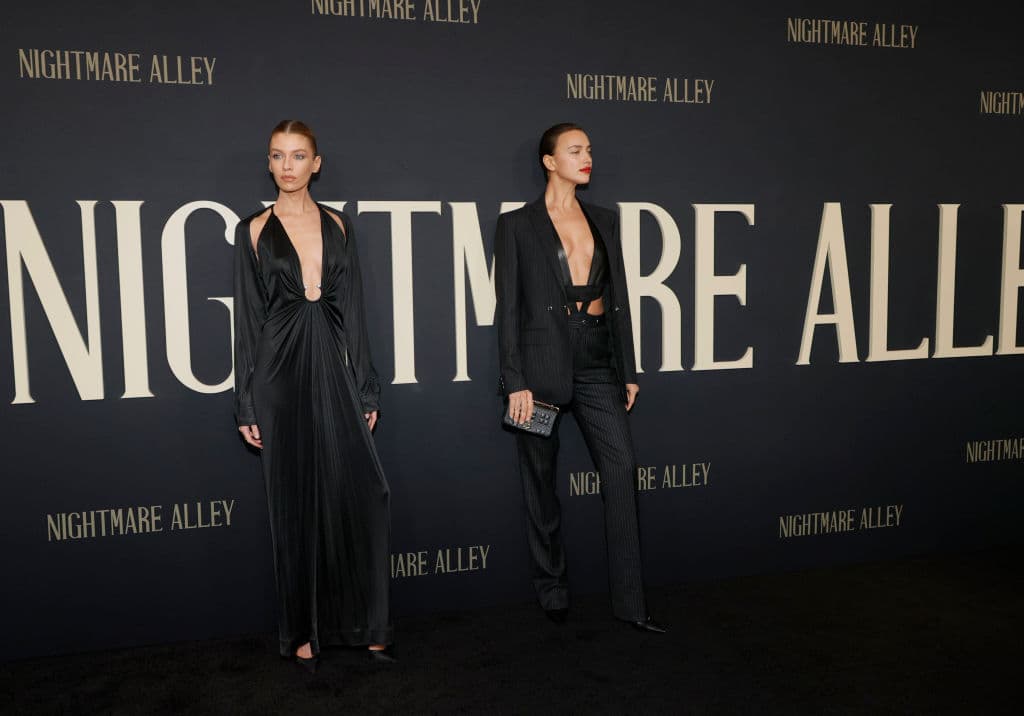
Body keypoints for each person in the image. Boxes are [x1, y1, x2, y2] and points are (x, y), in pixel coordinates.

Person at [233, 120, 393, 671]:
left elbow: (356, 312)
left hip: (334, 365)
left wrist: (367, 385)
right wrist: (247, 400)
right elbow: (250, 324)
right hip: (278, 370)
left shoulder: (340, 226)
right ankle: (301, 633)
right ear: (270, 163)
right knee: (293, 503)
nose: (287, 166)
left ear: (316, 164)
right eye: (277, 156)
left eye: (298, 156)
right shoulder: (251, 230)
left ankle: (366, 624)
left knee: (363, 492)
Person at [495, 123, 665, 633]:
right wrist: (514, 380)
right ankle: (552, 589)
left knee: (621, 469)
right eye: (575, 150)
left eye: (589, 149)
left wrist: (627, 368)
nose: (586, 157)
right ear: (550, 161)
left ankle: (631, 605)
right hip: (540, 364)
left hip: (596, 358)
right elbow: (508, 308)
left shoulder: (605, 220)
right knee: (541, 483)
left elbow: (621, 299)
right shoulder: (517, 225)